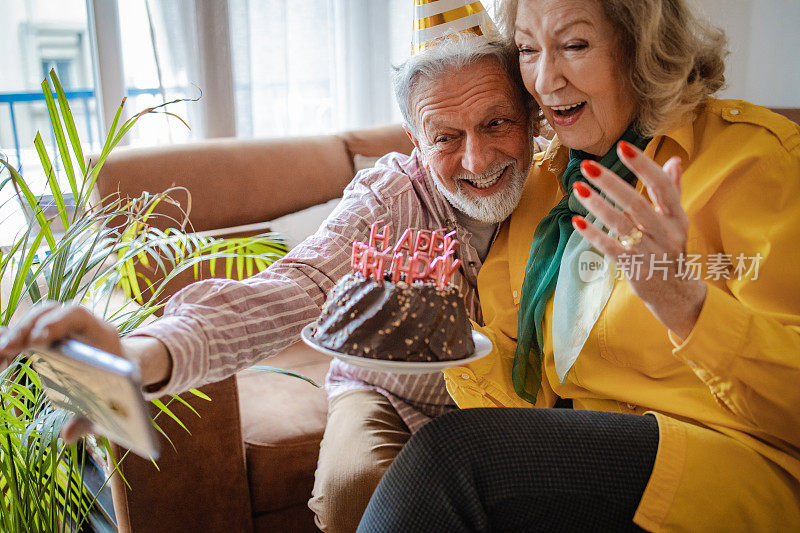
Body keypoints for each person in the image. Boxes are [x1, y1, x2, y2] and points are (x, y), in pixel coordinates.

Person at [0, 12, 545, 533]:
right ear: (415, 141)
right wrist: (141, 354)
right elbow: (295, 285)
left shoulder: (560, 190)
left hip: (518, 401)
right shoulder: (390, 199)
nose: (476, 160)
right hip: (390, 393)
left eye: (496, 122)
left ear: (533, 116)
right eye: (445, 137)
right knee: (352, 489)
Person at [358, 0, 800, 531]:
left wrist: (689, 307)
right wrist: (445, 326)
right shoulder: (542, 184)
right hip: (590, 467)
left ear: (640, 47)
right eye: (526, 50)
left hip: (729, 467)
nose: (544, 79)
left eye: (574, 45)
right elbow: (522, 397)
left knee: (449, 459)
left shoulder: (753, 159)